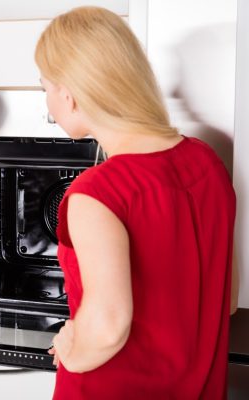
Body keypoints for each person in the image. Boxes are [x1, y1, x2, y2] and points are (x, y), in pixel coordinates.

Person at [35, 7, 237, 399]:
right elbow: (226, 301)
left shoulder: (96, 193)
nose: (48, 103)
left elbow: (108, 329)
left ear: (69, 94)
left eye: (44, 87)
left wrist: (70, 347)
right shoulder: (206, 161)